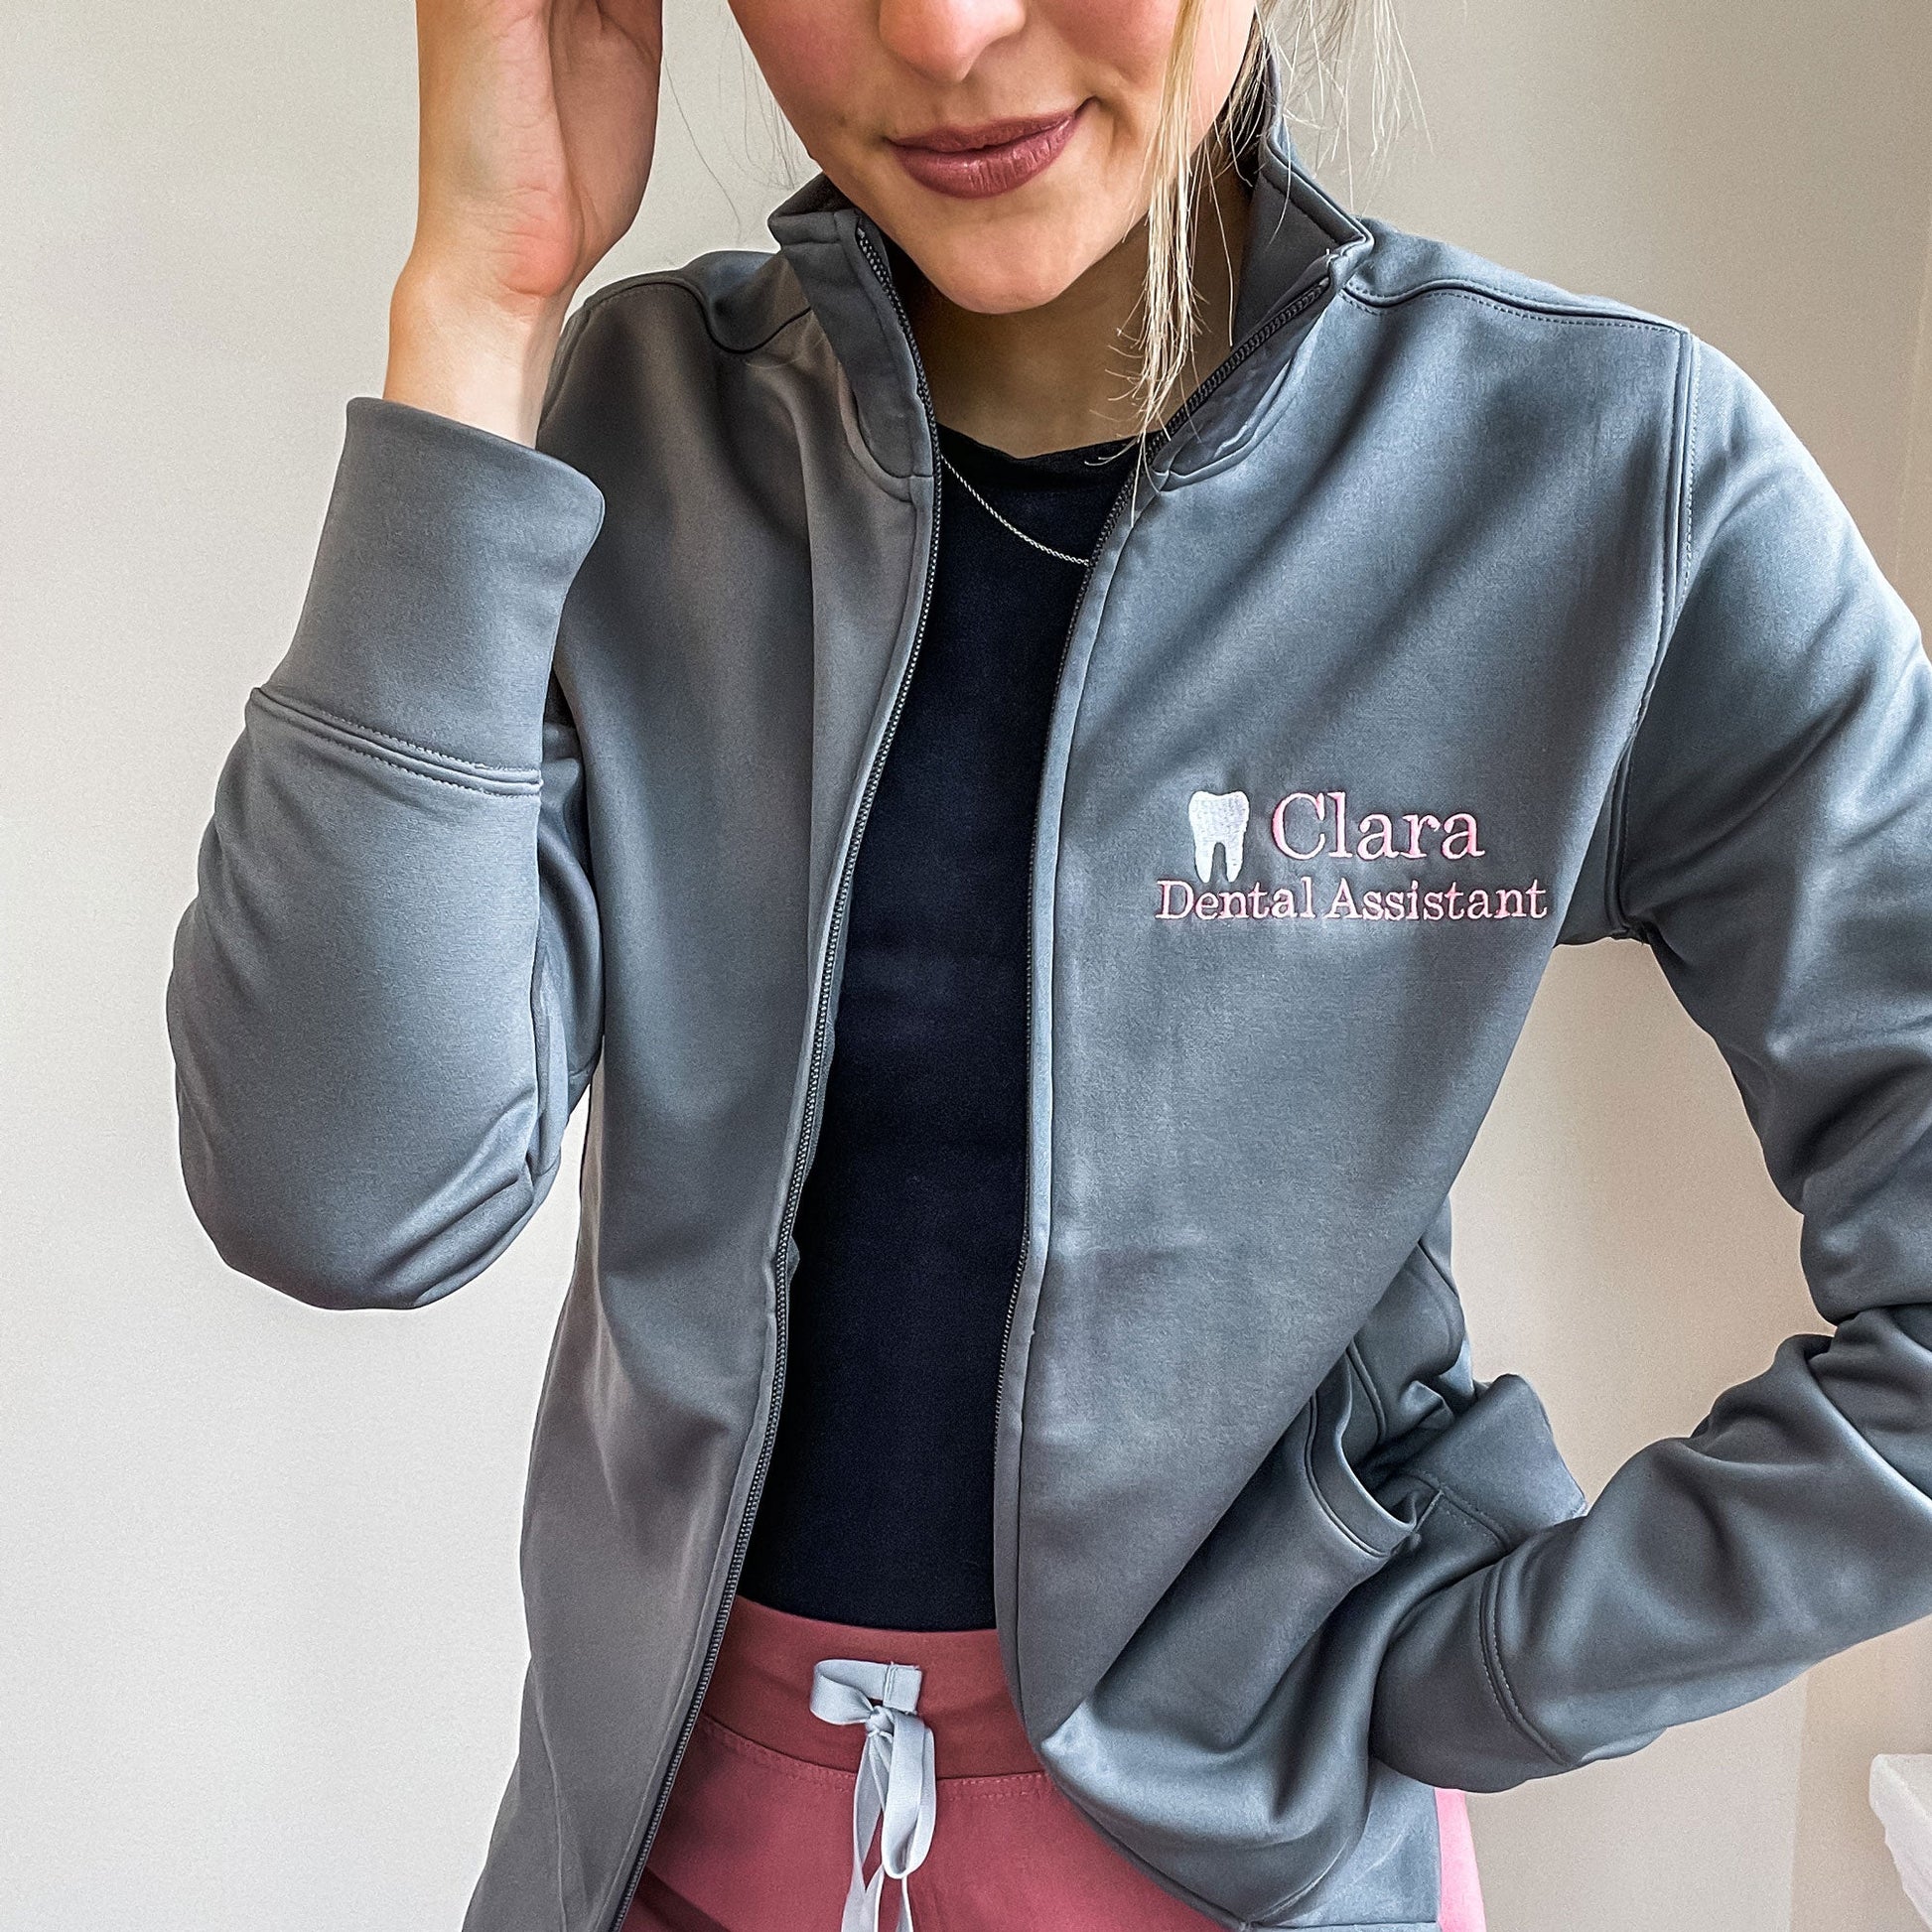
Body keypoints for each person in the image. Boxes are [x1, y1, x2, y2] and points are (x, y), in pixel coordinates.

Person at [165, 0, 1932, 1928]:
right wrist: (478, 308)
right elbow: (345, 1193)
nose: (942, 28)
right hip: (649, 1866)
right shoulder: (636, 427)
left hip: (1243, 1879)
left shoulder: (1602, 475)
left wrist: (1491, 1664)